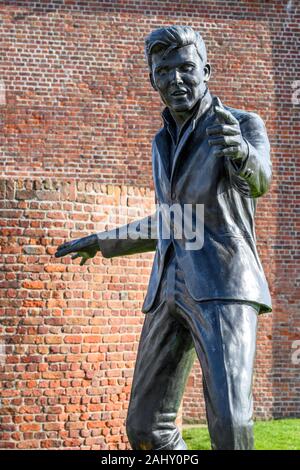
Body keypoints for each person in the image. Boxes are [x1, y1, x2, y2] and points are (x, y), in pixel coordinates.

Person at [55, 25, 272, 450]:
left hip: (224, 283)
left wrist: (242, 154)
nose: (176, 79)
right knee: (144, 426)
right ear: (153, 78)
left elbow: (261, 178)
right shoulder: (161, 142)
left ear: (206, 71)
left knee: (230, 420)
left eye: (186, 68)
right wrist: (103, 241)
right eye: (164, 71)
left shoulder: (241, 123)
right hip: (168, 289)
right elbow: (175, 222)